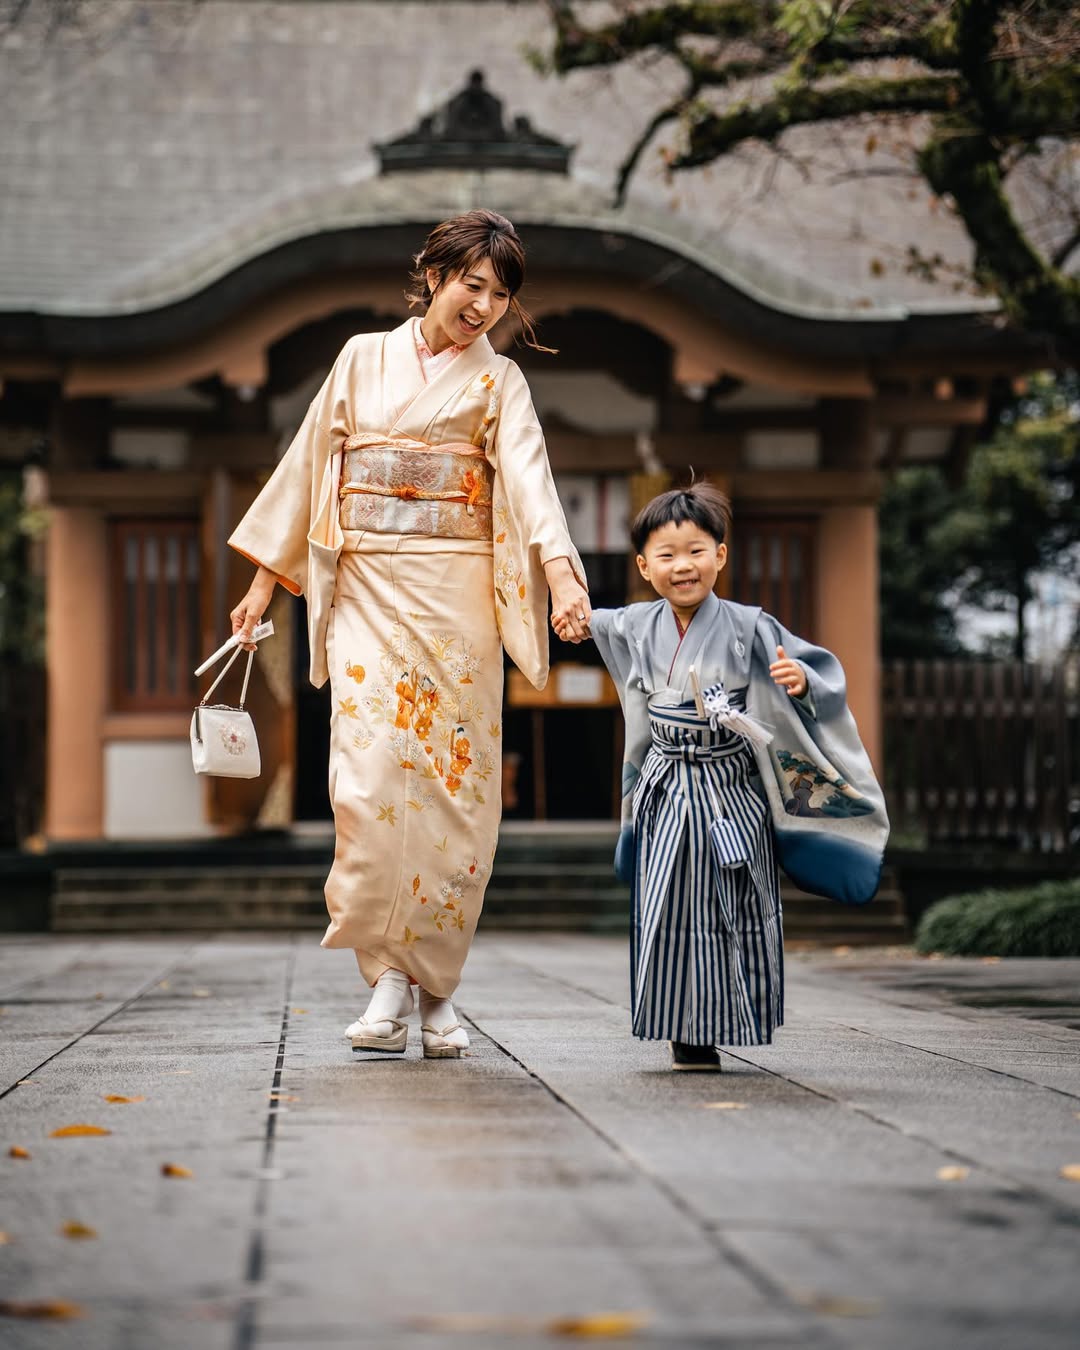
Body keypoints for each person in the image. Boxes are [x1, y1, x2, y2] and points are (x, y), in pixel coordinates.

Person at [227, 210, 590, 1058]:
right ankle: (389, 979)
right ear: (433, 274)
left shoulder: (500, 385)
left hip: (455, 596)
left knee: (454, 790)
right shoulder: (360, 357)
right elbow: (308, 470)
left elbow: (532, 484)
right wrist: (263, 586)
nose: (485, 305)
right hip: (364, 589)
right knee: (370, 775)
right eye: (473, 284)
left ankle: (435, 990)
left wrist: (564, 576)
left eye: (500, 294)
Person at [563, 483, 888, 1071]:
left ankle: (726, 1017)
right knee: (663, 905)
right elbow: (587, 621)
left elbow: (820, 671)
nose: (682, 566)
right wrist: (566, 615)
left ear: (721, 555)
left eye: (695, 551)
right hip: (665, 786)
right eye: (665, 555)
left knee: (732, 904)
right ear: (643, 566)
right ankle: (680, 1029)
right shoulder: (637, 625)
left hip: (730, 788)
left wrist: (801, 681)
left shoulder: (750, 627)